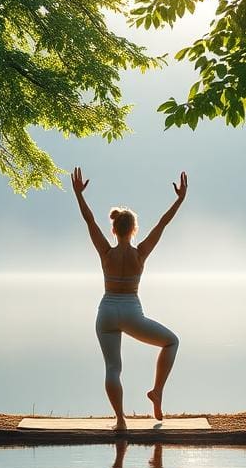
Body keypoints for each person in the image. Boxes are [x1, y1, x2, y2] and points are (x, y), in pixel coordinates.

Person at [71, 167, 187, 430]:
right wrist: (179, 200)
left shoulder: (106, 252)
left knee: (113, 368)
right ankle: (156, 392)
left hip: (107, 312)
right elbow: (162, 224)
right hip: (132, 313)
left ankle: (121, 420)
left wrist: (79, 195)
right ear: (134, 230)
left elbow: (89, 221)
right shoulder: (140, 253)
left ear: (113, 229)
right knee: (171, 342)